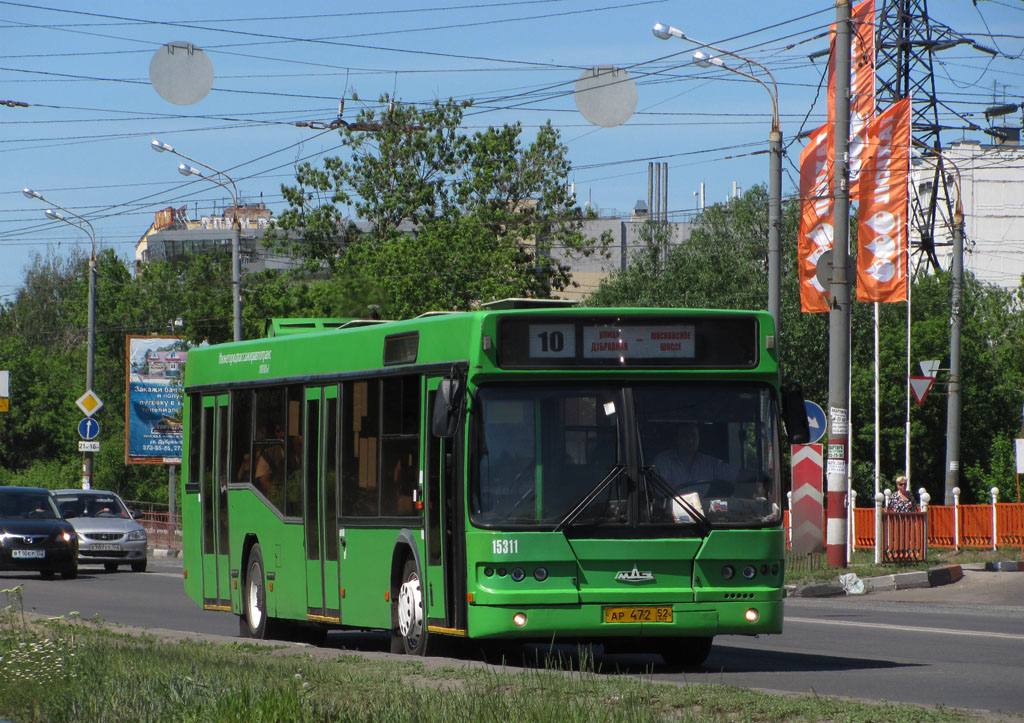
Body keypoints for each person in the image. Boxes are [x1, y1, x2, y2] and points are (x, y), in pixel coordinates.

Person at [652, 422, 746, 492]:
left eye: (694, 436)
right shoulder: (663, 461)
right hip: (669, 515)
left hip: (701, 516)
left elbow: (735, 474)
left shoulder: (709, 463)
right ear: (677, 439)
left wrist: (759, 476)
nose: (690, 440)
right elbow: (659, 495)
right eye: (685, 436)